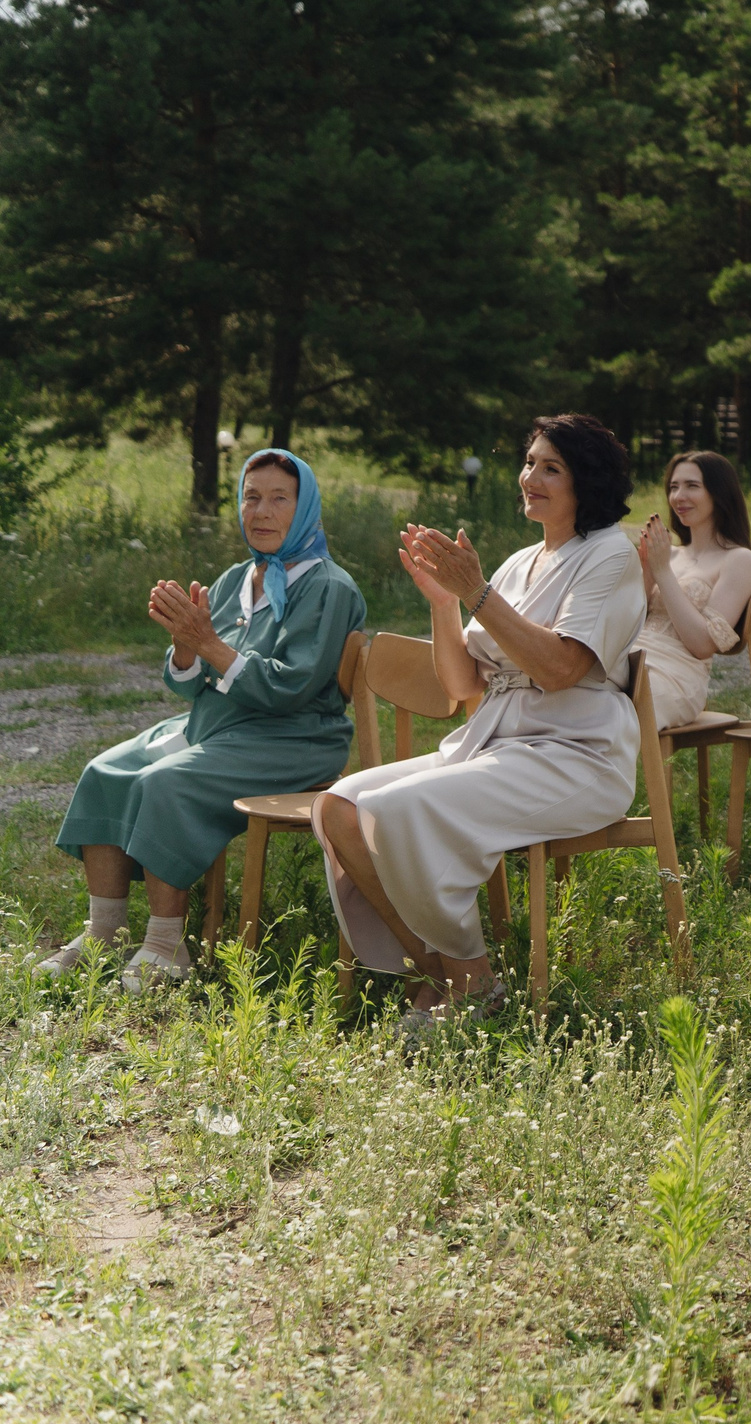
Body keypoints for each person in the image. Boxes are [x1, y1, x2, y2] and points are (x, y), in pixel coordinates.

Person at [317, 414, 647, 1025]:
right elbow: (463, 684)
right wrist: (445, 604)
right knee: (338, 806)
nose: (531, 478)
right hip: (497, 742)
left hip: (575, 754)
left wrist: (476, 594)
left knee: (396, 809)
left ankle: (469, 978)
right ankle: (442, 971)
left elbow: (559, 669)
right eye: (529, 463)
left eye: (552, 468)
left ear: (589, 482)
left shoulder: (610, 555)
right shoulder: (521, 561)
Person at [38, 450, 367, 992]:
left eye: (279, 499)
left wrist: (209, 645)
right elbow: (188, 683)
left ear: (305, 508)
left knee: (167, 782)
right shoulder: (237, 577)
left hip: (293, 740)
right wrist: (186, 649)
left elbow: (291, 688)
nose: (261, 511)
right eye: (250, 496)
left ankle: (167, 947)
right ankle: (106, 932)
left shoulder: (328, 587)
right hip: (216, 729)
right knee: (105, 769)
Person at [633, 450, 751, 729]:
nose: (679, 496)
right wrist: (646, 574)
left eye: (692, 486)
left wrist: (661, 573)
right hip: (630, 658)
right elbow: (628, 622)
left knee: (615, 709)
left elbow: (702, 646)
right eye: (673, 487)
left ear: (719, 493)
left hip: (676, 675)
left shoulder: (739, 559)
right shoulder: (667, 555)